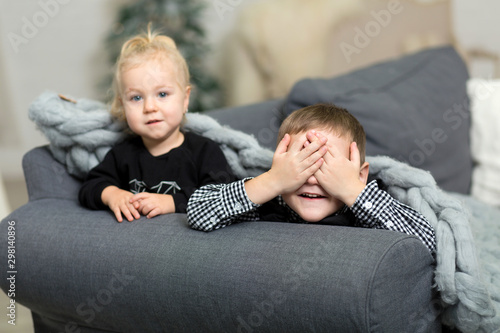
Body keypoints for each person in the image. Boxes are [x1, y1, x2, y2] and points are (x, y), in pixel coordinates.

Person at [187, 103, 436, 255]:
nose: (312, 180)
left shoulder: (366, 212)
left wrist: (352, 190)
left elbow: (428, 243)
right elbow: (198, 212)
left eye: (327, 166)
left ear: (360, 175)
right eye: (301, 163)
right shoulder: (270, 205)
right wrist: (273, 181)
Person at [79, 25, 234, 222]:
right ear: (122, 105)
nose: (150, 107)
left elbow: (225, 197)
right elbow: (89, 187)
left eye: (162, 94)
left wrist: (172, 202)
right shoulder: (123, 154)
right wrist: (112, 195)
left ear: (185, 99)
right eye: (136, 98)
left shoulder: (204, 151)